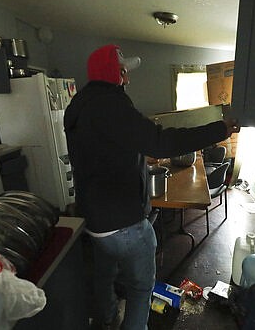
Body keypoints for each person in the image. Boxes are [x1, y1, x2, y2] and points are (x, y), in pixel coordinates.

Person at [64, 44, 239, 330]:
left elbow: (99, 149)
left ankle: (107, 318)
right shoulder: (112, 103)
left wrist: (134, 152)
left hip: (93, 220)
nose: (128, 79)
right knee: (140, 287)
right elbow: (162, 142)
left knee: (104, 276)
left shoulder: (77, 106)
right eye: (124, 72)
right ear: (115, 73)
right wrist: (220, 129)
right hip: (123, 221)